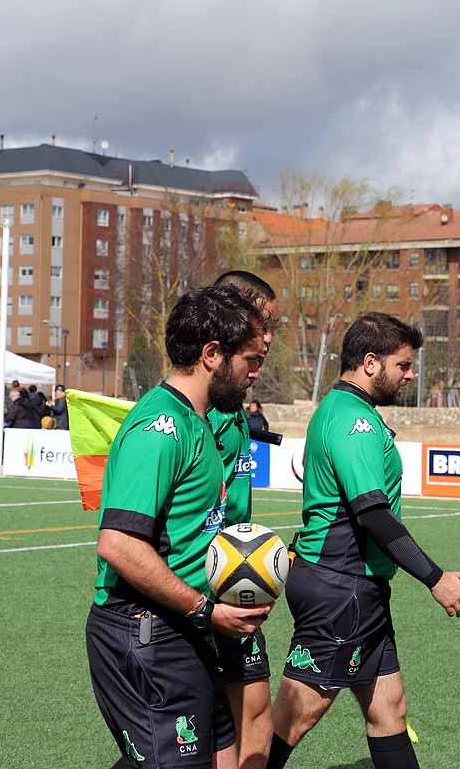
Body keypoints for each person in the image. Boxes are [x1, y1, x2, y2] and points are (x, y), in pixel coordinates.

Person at [267, 312, 460, 769]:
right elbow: (373, 515)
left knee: (389, 710)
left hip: (360, 589)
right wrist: (434, 578)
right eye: (403, 366)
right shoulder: (352, 420)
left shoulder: (353, 413)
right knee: (293, 718)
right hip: (339, 587)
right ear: (370, 362)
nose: (409, 375)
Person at [85, 284, 269, 769]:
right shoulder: (159, 428)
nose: (256, 371)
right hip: (142, 631)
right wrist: (206, 610)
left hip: (184, 629)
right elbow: (119, 544)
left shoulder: (202, 422)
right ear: (212, 355)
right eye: (249, 359)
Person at [210, 270, 278, 769]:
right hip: (200, 593)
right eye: (263, 323)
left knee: (255, 717)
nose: (270, 337)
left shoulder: (234, 404)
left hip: (238, 584)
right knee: (201, 737)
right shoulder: (201, 406)